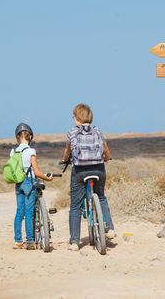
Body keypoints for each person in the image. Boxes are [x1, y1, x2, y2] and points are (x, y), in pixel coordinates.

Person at [60, 103, 115, 251]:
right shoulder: (97, 130)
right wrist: (107, 158)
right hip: (98, 169)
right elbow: (106, 149)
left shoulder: (72, 132)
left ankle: (75, 241)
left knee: (75, 206)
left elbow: (67, 150)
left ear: (77, 117)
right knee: (101, 197)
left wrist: (66, 159)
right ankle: (110, 228)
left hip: (80, 171)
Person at [11, 123, 53, 250]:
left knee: (19, 212)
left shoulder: (13, 152)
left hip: (18, 184)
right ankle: (30, 241)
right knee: (29, 212)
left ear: (17, 137)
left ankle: (18, 241)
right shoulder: (31, 151)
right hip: (29, 183)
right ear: (30, 137)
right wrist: (47, 178)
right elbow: (37, 172)